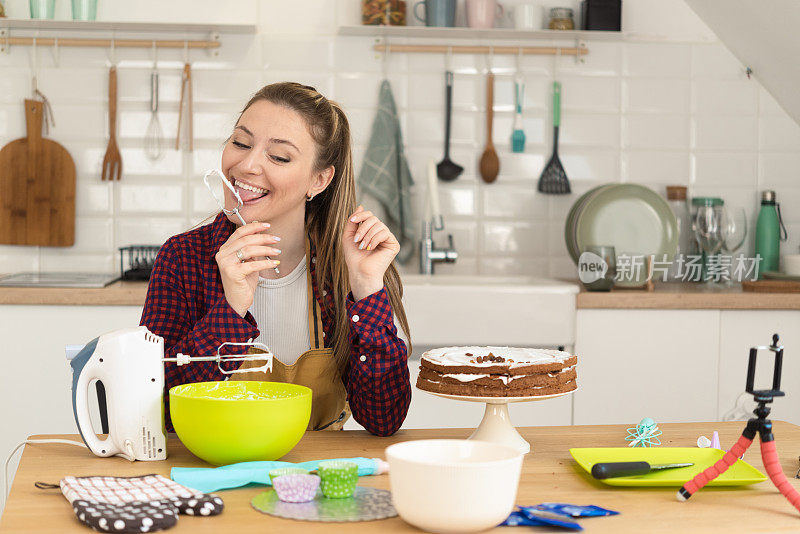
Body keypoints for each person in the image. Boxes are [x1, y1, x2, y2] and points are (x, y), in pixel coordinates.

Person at [140, 82, 411, 436]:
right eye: (240, 143)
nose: (247, 165)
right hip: (214, 472)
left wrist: (366, 288)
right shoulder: (183, 259)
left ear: (319, 179)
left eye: (279, 156)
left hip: (318, 479)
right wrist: (230, 311)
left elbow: (384, 419)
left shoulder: (343, 269)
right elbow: (153, 410)